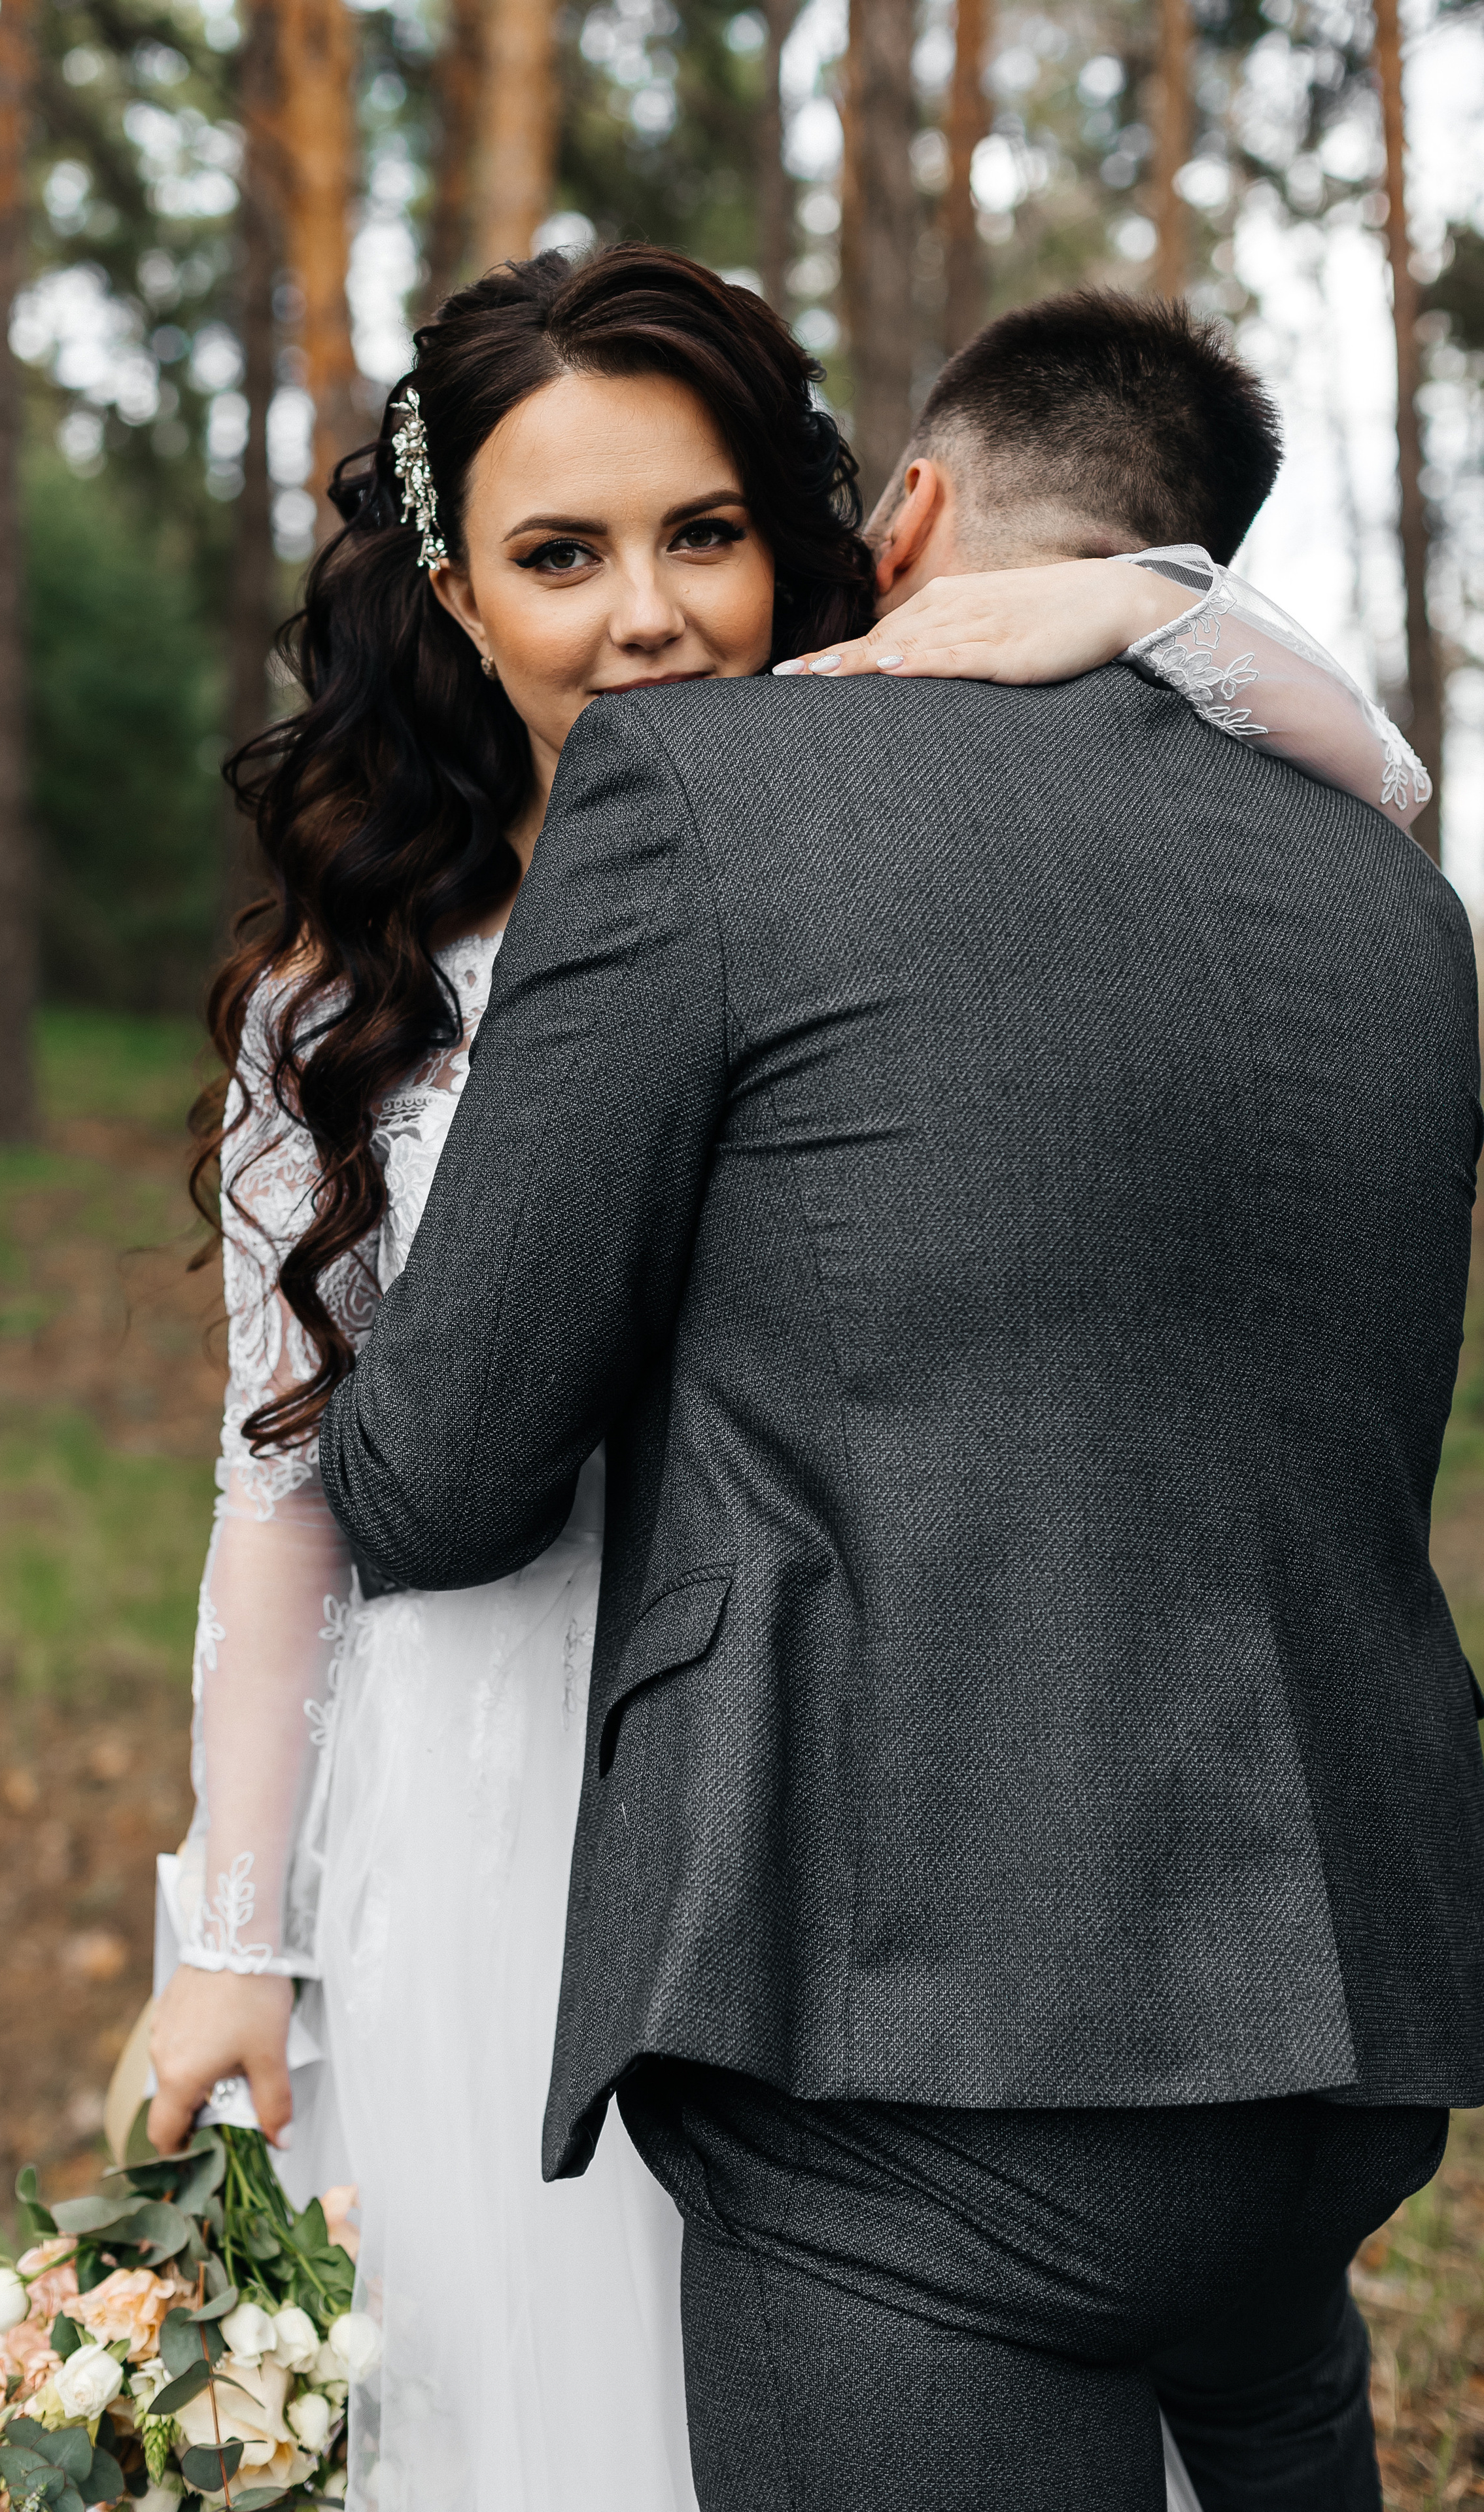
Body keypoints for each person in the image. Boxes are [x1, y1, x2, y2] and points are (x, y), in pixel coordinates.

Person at [151, 250, 1441, 2512]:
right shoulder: (341, 1002)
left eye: (705, 534)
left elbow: (1369, 766)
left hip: (848, 1819)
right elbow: (293, 1490)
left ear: (828, 533)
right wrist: (229, 1936)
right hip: (491, 1791)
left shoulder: (872, 824)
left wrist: (1128, 612)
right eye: (560, 556)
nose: (644, 614)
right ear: (455, 594)